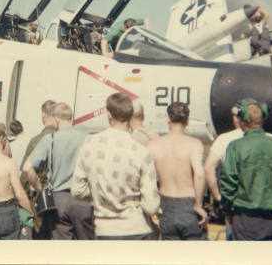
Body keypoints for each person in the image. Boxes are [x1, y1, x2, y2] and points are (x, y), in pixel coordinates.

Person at [71, 93, 159, 240]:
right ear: (131, 115)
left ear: (109, 114)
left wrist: (100, 195)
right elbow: (151, 206)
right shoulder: (142, 152)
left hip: (104, 229)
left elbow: (77, 190)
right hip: (136, 228)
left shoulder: (89, 144)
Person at [204, 101, 272, 240]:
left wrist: (225, 206)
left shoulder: (235, 146)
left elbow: (228, 180)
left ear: (243, 121)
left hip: (244, 217)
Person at [23, 103, 94, 240]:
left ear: (56, 118)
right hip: (83, 199)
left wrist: (39, 188)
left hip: (58, 200)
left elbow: (27, 168)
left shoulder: (50, 139)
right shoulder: (87, 138)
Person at [147, 102, 207, 240]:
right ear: (187, 120)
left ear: (168, 118)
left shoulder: (153, 145)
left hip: (165, 204)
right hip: (188, 204)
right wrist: (198, 205)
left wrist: (153, 207)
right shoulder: (194, 144)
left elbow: (147, 178)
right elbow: (199, 174)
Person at [0, 123, 33, 239]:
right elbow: (19, 194)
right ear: (1, 139)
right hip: (7, 211)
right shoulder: (8, 162)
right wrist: (31, 212)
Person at [19, 99, 57, 239]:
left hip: (40, 198)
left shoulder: (36, 141)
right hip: (62, 197)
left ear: (43, 116)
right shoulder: (63, 139)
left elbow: (25, 173)